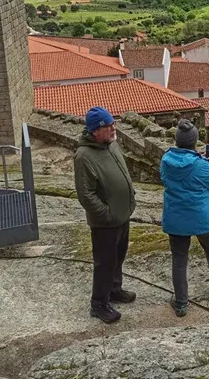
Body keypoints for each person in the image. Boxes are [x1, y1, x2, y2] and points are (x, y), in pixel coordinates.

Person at [160, 119, 209, 317]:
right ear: (195, 141)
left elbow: (166, 179)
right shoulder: (201, 165)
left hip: (176, 218)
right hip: (202, 217)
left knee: (179, 260)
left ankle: (181, 302)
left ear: (177, 141)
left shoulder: (166, 161)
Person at [74, 106, 136, 324]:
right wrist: (107, 214)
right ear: (94, 131)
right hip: (105, 223)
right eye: (107, 126)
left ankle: (114, 290)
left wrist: (130, 198)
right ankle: (98, 304)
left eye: (113, 124)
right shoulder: (83, 156)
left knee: (118, 257)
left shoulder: (111, 144)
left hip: (122, 215)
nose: (113, 128)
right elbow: (86, 194)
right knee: (104, 263)